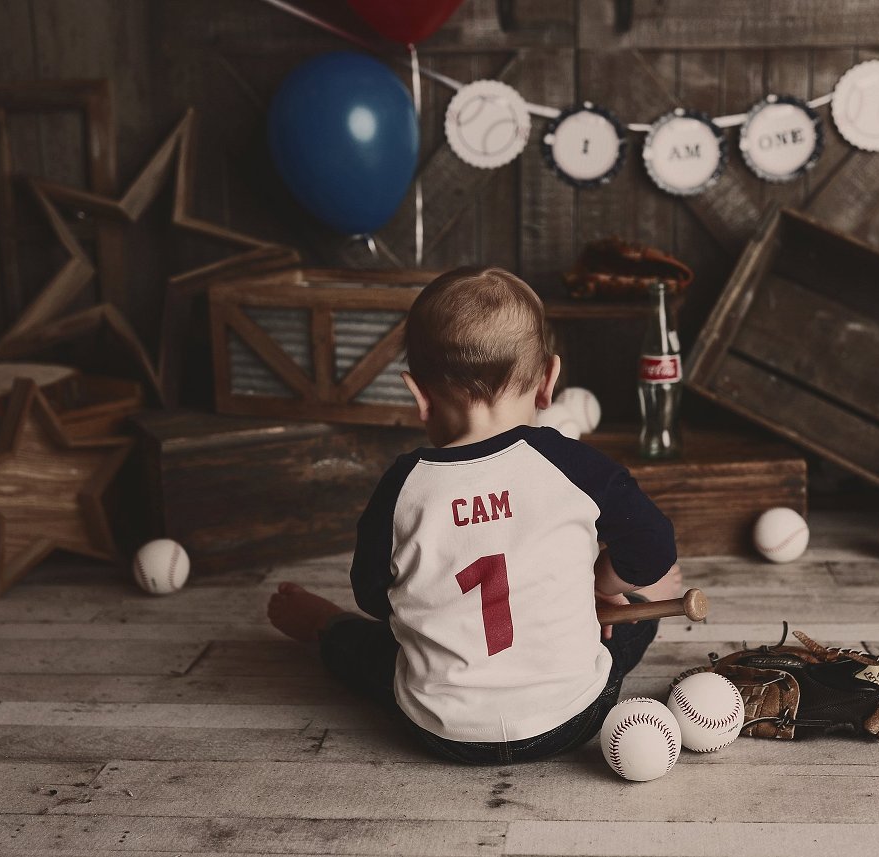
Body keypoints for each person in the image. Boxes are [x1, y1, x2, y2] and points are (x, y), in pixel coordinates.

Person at [268, 265, 680, 765]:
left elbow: (374, 599)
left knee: (377, 652)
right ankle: (623, 608)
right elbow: (654, 543)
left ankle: (323, 626)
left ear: (418, 395)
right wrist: (604, 583)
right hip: (573, 720)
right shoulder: (574, 465)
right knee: (637, 615)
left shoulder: (403, 487)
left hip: (442, 732)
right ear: (549, 380)